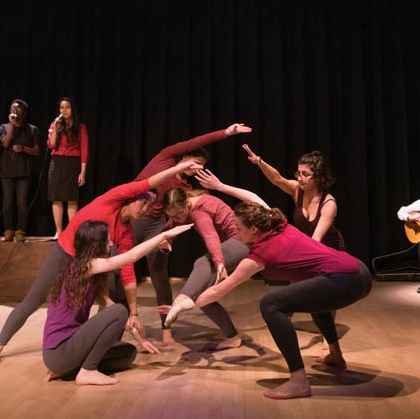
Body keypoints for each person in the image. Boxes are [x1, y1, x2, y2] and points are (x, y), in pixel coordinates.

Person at [160, 170, 371, 400]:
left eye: (238, 229)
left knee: (270, 304)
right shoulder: (278, 223)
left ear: (253, 230)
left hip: (345, 279)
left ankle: (299, 381)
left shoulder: (257, 257)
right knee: (313, 297)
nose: (235, 234)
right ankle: (335, 355)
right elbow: (251, 197)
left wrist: (181, 306)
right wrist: (221, 187)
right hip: (358, 270)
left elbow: (216, 292)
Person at [0, 160, 202, 366]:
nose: (146, 209)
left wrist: (135, 313)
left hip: (90, 263)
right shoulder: (112, 199)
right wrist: (178, 168)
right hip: (65, 254)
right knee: (32, 301)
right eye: (144, 202)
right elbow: (148, 183)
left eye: (151, 206)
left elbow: (128, 269)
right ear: (132, 197)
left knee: (116, 296)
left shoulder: (126, 232)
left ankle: (99, 349)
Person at [130, 123, 251, 346]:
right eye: (195, 163)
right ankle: (124, 322)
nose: (197, 169)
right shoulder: (166, 158)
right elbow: (197, 142)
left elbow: (193, 224)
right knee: (120, 269)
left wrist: (167, 237)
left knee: (159, 273)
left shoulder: (187, 193)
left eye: (201, 167)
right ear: (184, 156)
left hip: (158, 224)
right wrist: (226, 133)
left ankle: (167, 328)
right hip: (136, 216)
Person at [43, 219, 193, 386]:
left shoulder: (89, 275)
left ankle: (69, 369)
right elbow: (132, 256)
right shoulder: (85, 266)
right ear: (96, 244)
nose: (111, 243)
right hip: (59, 351)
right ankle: (87, 371)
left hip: (66, 354)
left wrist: (140, 340)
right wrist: (163, 235)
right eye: (107, 239)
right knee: (121, 311)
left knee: (126, 353)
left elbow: (110, 306)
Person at [156, 185, 250, 350]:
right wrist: (167, 240)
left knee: (202, 262)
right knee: (203, 298)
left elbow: (210, 236)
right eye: (172, 215)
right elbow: (172, 226)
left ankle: (182, 299)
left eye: (180, 213)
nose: (178, 217)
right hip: (230, 245)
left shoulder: (199, 210)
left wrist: (219, 262)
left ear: (186, 203)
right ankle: (232, 337)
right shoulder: (183, 208)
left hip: (243, 241)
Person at [242, 145, 344, 250]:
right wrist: (259, 161)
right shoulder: (297, 190)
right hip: (310, 247)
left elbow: (316, 239)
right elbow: (277, 179)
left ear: (318, 177)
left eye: (305, 174)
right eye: (298, 174)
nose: (300, 178)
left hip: (330, 251)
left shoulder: (328, 204)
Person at [0, 99, 40, 242]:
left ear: (25, 113)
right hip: (7, 170)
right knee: (7, 201)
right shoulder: (4, 127)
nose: (15, 111)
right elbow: (5, 144)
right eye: (13, 108)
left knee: (22, 201)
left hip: (24, 171)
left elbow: (37, 151)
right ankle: (8, 230)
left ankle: (20, 230)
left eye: (19, 109)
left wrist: (23, 149)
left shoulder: (32, 129)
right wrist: (12, 127)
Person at [47, 97, 89, 240]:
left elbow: (84, 150)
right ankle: (59, 231)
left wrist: (82, 172)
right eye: (61, 108)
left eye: (67, 107)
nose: (63, 110)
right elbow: (52, 145)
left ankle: (72, 232)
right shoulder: (55, 124)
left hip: (73, 162)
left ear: (73, 109)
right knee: (56, 198)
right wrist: (55, 129)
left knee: (71, 198)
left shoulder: (81, 127)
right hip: (57, 162)